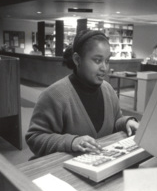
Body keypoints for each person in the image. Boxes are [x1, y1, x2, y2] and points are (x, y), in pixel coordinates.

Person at [25, 30, 139, 158]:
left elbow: (116, 120)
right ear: (77, 59)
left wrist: (126, 122)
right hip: (64, 170)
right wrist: (72, 142)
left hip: (99, 167)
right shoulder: (53, 95)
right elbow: (34, 138)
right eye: (97, 60)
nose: (104, 68)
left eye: (107, 61)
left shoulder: (108, 90)